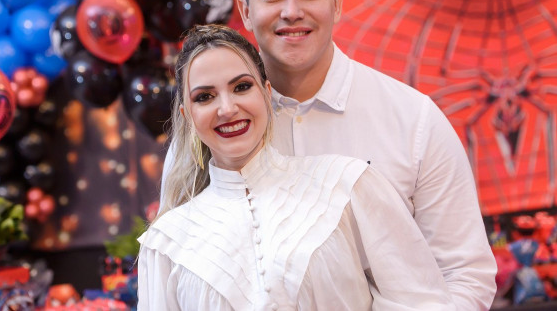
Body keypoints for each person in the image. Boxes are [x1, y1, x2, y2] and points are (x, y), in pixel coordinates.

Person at [160, 0, 497, 310]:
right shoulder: (214, 134)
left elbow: (465, 275)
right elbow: (178, 266)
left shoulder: (413, 120)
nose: (291, 11)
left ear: (337, 4)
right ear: (246, 12)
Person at [139, 24, 454, 310]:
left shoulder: (346, 185)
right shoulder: (166, 244)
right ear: (187, 115)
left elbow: (420, 302)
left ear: (266, 93)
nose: (227, 108)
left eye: (241, 87)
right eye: (205, 97)